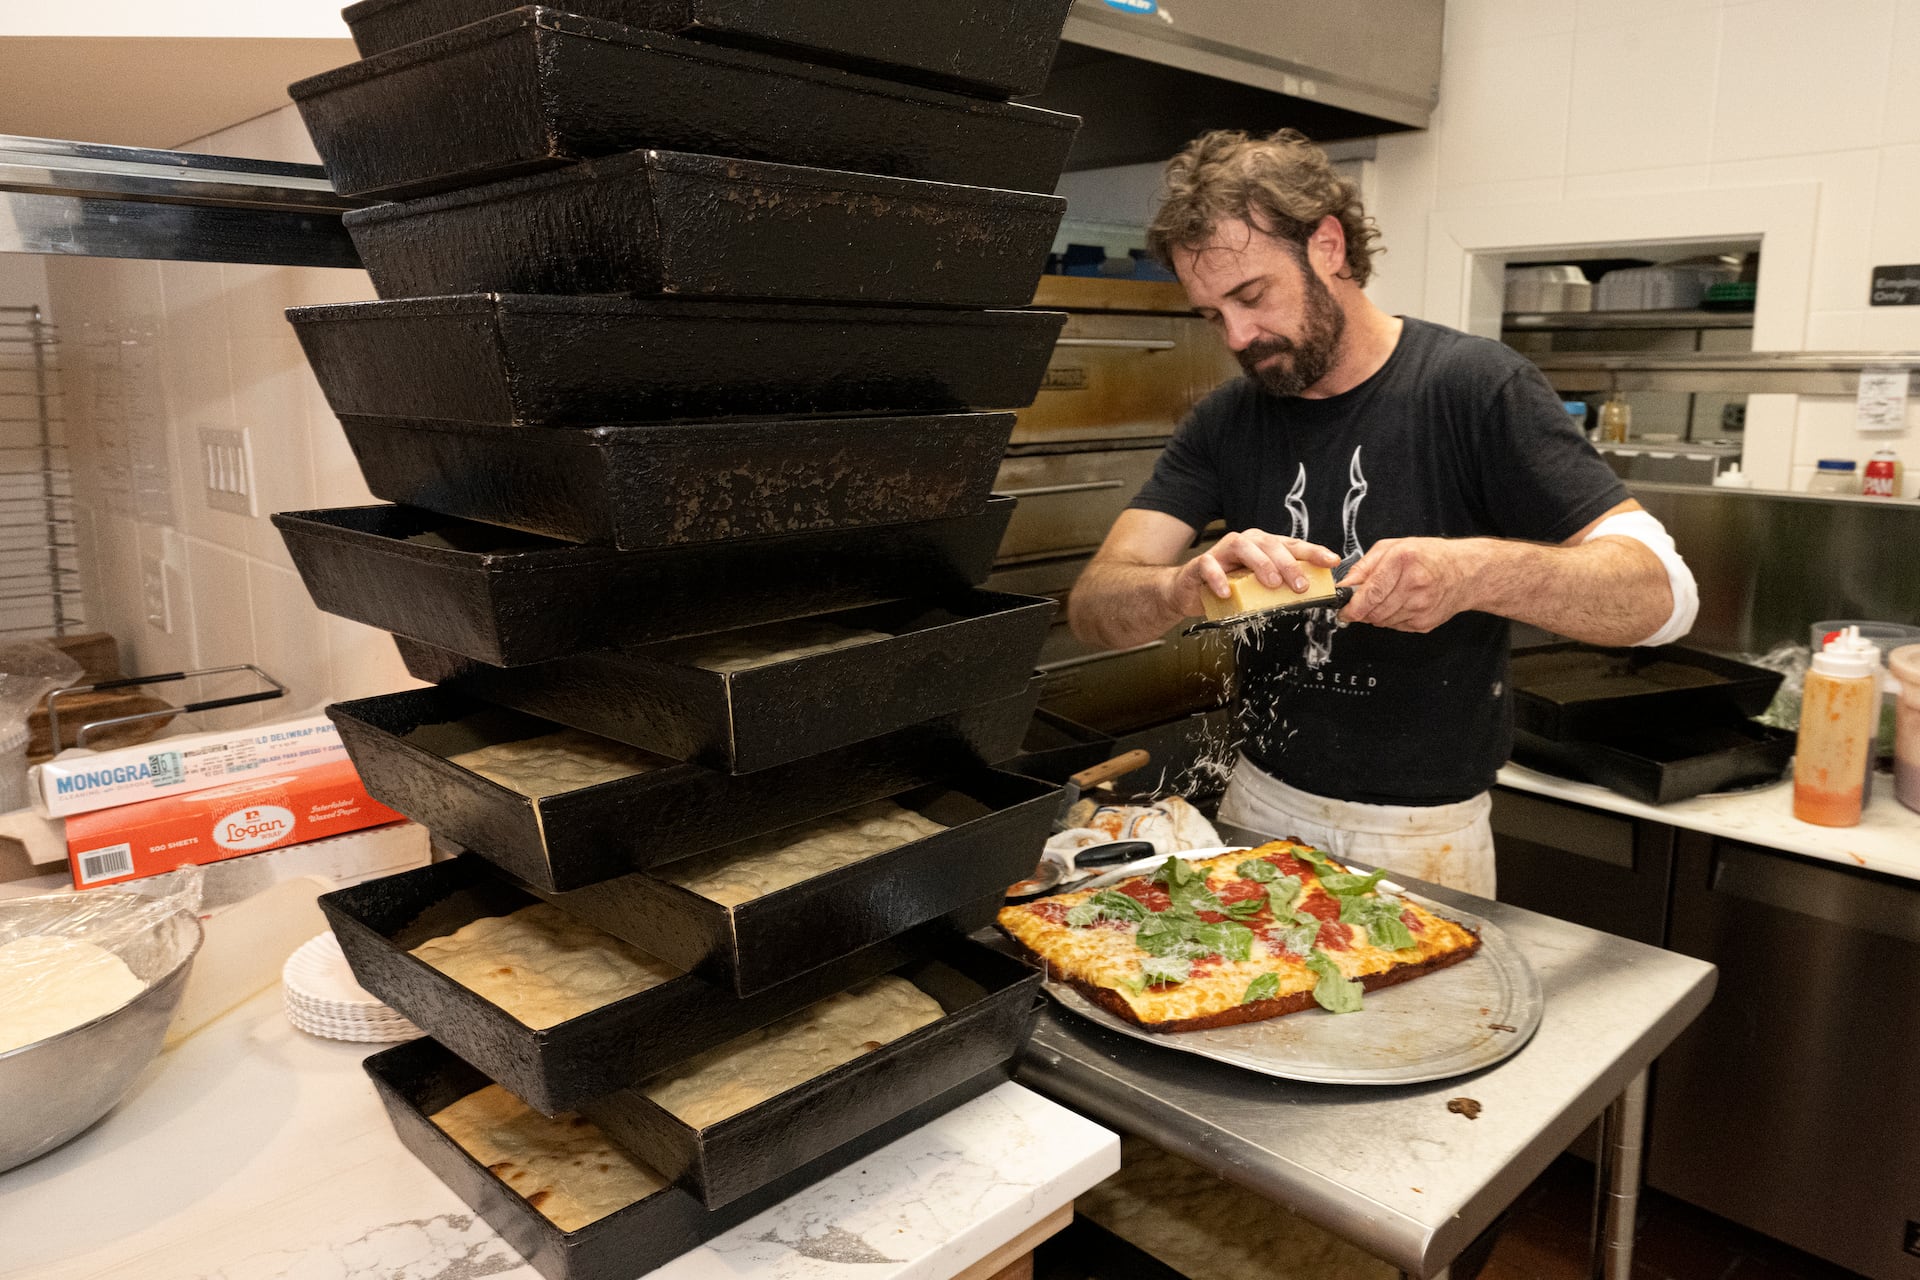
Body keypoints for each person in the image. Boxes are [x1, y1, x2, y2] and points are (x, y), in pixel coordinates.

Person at [1067, 129, 1698, 897]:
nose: (1236, 337)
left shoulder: (1474, 388)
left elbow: (1662, 596)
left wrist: (1472, 572)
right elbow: (1093, 606)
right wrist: (1178, 589)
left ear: (1327, 245)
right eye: (1210, 315)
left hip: (1423, 837)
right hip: (1258, 804)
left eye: (1252, 296)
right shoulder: (1227, 420)